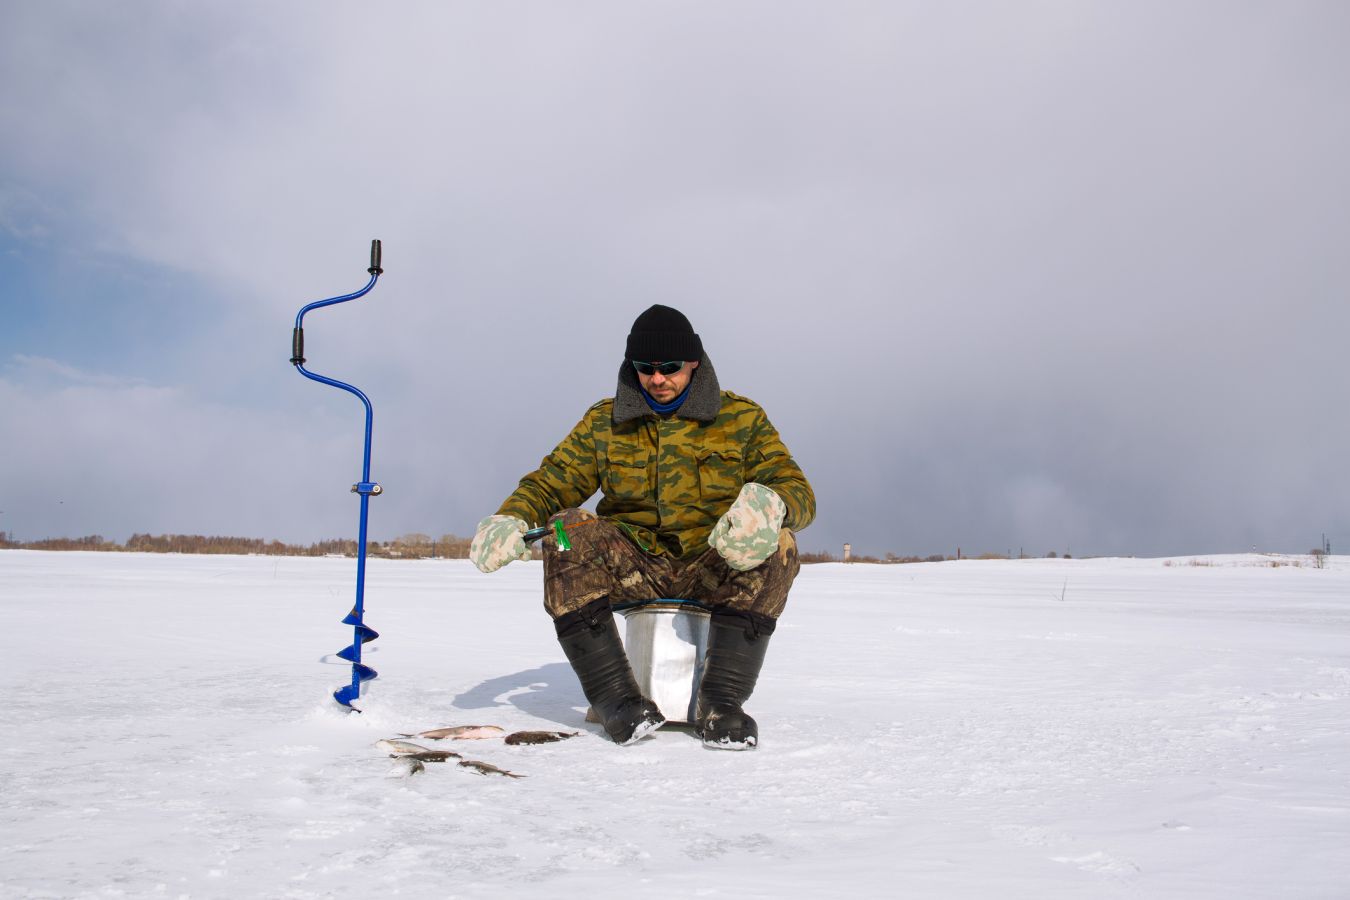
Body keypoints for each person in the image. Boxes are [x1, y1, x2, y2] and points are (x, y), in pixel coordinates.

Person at [469, 304, 815, 750]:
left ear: (694, 362)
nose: (657, 379)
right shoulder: (604, 421)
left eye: (669, 368)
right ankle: (618, 702)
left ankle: (722, 703)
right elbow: (552, 482)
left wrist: (772, 506)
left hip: (715, 562)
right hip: (634, 566)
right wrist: (512, 517)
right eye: (645, 369)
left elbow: (797, 489)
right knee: (566, 530)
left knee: (781, 542)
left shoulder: (741, 419)